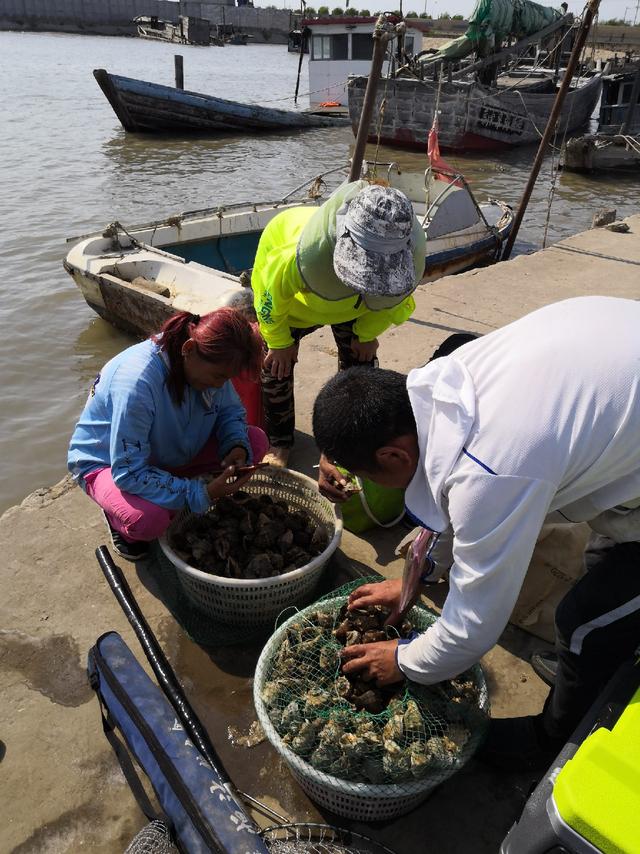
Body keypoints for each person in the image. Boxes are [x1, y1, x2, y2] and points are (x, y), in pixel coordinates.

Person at [312, 296, 640, 771]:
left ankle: (553, 743)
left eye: (367, 475)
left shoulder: (491, 471)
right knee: (605, 572)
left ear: (392, 458)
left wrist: (403, 661)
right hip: (620, 382)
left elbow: (472, 628)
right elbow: (454, 504)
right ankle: (589, 668)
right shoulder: (442, 383)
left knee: (586, 618)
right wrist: (413, 581)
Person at [68, 309, 268, 562]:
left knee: (255, 441)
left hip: (166, 449)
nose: (220, 385)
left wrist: (235, 445)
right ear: (189, 349)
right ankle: (116, 516)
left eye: (226, 378)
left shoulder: (209, 359)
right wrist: (201, 494)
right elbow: (130, 472)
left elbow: (230, 411)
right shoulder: (137, 383)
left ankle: (174, 487)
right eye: (218, 377)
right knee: (149, 521)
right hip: (109, 463)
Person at [251, 180, 426, 467]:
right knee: (274, 367)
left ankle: (346, 441)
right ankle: (280, 441)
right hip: (299, 306)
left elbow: (392, 300)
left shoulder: (411, 254)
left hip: (356, 308)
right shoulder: (306, 253)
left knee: (362, 369)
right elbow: (269, 293)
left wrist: (367, 334)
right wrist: (279, 341)